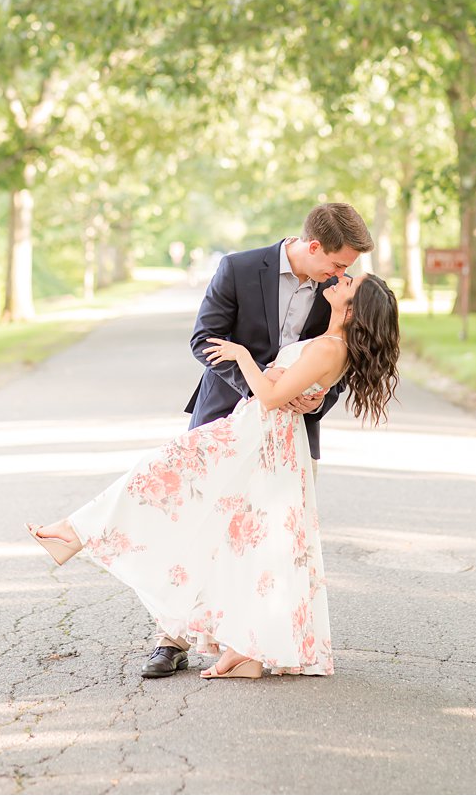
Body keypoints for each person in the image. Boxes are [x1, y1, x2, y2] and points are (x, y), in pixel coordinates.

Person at [26, 270, 400, 679]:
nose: (342, 279)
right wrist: (287, 382)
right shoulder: (329, 341)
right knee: (240, 540)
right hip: (259, 435)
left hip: (252, 436)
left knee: (156, 475)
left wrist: (243, 356)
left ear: (352, 309)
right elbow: (289, 388)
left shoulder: (331, 345)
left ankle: (75, 532)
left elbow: (272, 397)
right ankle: (246, 650)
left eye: (351, 284)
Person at [127, 202, 373, 678]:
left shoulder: (337, 291)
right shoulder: (238, 268)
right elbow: (205, 339)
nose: (342, 273)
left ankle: (252, 642)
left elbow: (343, 357)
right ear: (314, 246)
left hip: (293, 437)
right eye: (338, 263)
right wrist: (260, 396)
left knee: (271, 544)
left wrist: (315, 399)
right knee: (198, 531)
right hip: (224, 420)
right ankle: (171, 638)